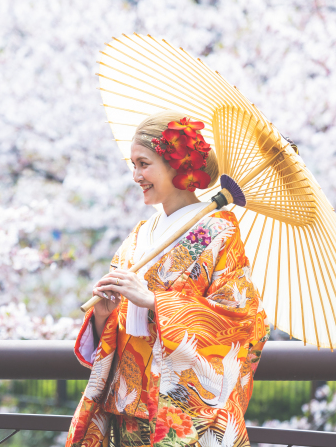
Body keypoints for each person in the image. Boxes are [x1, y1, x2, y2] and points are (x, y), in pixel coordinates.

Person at [67, 112, 269, 447]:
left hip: (181, 414)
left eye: (144, 164)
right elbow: (118, 327)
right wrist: (104, 312)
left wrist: (154, 301)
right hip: (127, 405)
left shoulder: (218, 230)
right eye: (133, 165)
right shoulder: (141, 235)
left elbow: (240, 321)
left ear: (178, 165)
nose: (135, 175)